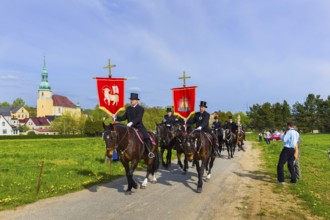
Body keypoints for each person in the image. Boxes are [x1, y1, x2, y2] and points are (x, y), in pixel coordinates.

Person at [112, 93, 154, 158]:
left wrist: (132, 122)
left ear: (137, 101)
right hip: (129, 127)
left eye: (133, 100)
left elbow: (139, 118)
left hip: (139, 126)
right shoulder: (128, 108)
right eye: (131, 99)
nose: (132, 101)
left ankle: (150, 152)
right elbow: (124, 117)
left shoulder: (140, 109)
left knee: (146, 136)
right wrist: (116, 117)